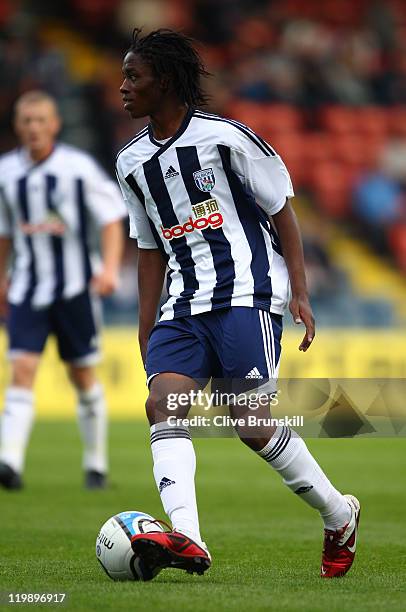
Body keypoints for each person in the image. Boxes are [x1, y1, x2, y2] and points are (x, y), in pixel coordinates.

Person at [116, 29, 360, 579]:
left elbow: (282, 211)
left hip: (248, 293)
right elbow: (149, 247)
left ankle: (338, 513)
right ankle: (187, 539)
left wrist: (299, 291)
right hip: (183, 304)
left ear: (167, 82)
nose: (123, 86)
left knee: (250, 423)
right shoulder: (130, 162)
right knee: (164, 405)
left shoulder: (227, 139)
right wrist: (145, 324)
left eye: (135, 76)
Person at [0, 90, 127, 490]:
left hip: (75, 287)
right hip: (26, 287)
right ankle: (10, 463)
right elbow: (4, 232)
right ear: (17, 126)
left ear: (54, 124)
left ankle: (96, 464)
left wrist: (108, 269)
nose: (34, 127)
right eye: (26, 120)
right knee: (21, 369)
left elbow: (111, 219)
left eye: (41, 120)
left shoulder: (78, 168)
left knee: (82, 374)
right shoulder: (5, 172)